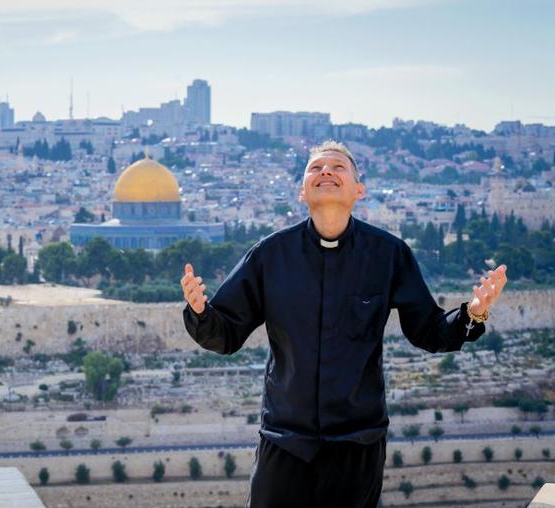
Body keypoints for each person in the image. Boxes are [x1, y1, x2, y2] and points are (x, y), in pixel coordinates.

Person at [179, 140, 507, 507]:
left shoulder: (388, 254)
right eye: (316, 168)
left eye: (338, 167)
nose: (326, 172)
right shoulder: (270, 255)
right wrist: (200, 312)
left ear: (359, 190)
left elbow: (429, 331)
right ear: (303, 191)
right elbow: (226, 335)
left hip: (357, 444)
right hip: (285, 442)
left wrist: (473, 312)